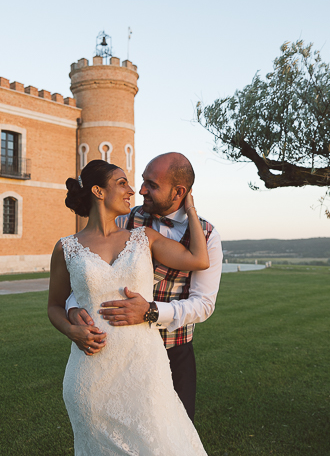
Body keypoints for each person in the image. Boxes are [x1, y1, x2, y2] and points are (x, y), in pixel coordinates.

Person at [47, 159, 210, 455]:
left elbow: (200, 259)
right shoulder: (66, 248)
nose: (132, 190)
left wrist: (191, 209)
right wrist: (72, 330)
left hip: (145, 370)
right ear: (98, 191)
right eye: (122, 183)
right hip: (90, 376)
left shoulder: (143, 238)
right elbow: (55, 306)